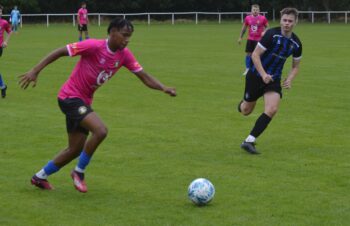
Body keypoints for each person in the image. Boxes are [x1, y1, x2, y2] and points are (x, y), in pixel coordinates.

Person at [19, 18, 176, 192]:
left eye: (129, 36)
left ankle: (39, 177)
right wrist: (35, 70)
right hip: (70, 98)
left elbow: (144, 77)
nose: (127, 40)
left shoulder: (124, 55)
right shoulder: (93, 46)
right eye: (124, 35)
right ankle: (79, 172)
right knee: (101, 130)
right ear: (112, 32)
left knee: (74, 149)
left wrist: (163, 88)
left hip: (82, 101)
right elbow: (60, 51)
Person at [237, 7, 302, 154]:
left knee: (272, 109)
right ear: (280, 20)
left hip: (273, 79)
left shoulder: (296, 44)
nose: (287, 23)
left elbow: (296, 66)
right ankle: (242, 104)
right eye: (284, 20)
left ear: (295, 22)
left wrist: (289, 79)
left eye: (290, 21)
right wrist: (263, 74)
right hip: (255, 75)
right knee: (246, 110)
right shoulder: (271, 35)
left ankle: (249, 141)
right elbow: (255, 55)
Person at [238, 4, 268, 76]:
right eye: (254, 10)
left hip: (259, 40)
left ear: (259, 11)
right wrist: (240, 37)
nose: (255, 11)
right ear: (251, 11)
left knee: (258, 55)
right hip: (250, 39)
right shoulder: (247, 18)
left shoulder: (263, 18)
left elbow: (267, 27)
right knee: (249, 54)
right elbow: (244, 28)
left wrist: (264, 32)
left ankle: (259, 69)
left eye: (256, 10)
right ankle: (248, 69)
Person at [0, 5, 12, 98]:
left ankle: (3, 86)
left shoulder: (4, 22)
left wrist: (5, 42)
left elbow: (10, 31)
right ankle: (3, 86)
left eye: (0, 11)